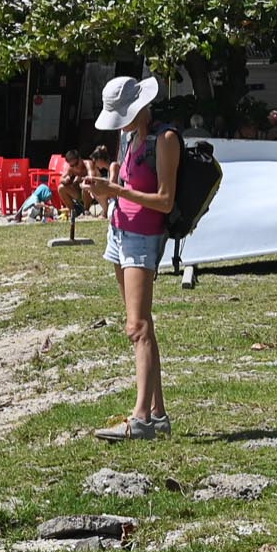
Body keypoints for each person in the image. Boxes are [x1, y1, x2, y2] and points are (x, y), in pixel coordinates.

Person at [91, 75, 180, 439]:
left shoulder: (166, 139)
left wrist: (117, 190)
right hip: (119, 232)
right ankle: (156, 412)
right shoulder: (129, 137)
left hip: (143, 237)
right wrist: (103, 194)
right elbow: (122, 190)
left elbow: (165, 200)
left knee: (136, 327)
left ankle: (141, 417)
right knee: (142, 325)